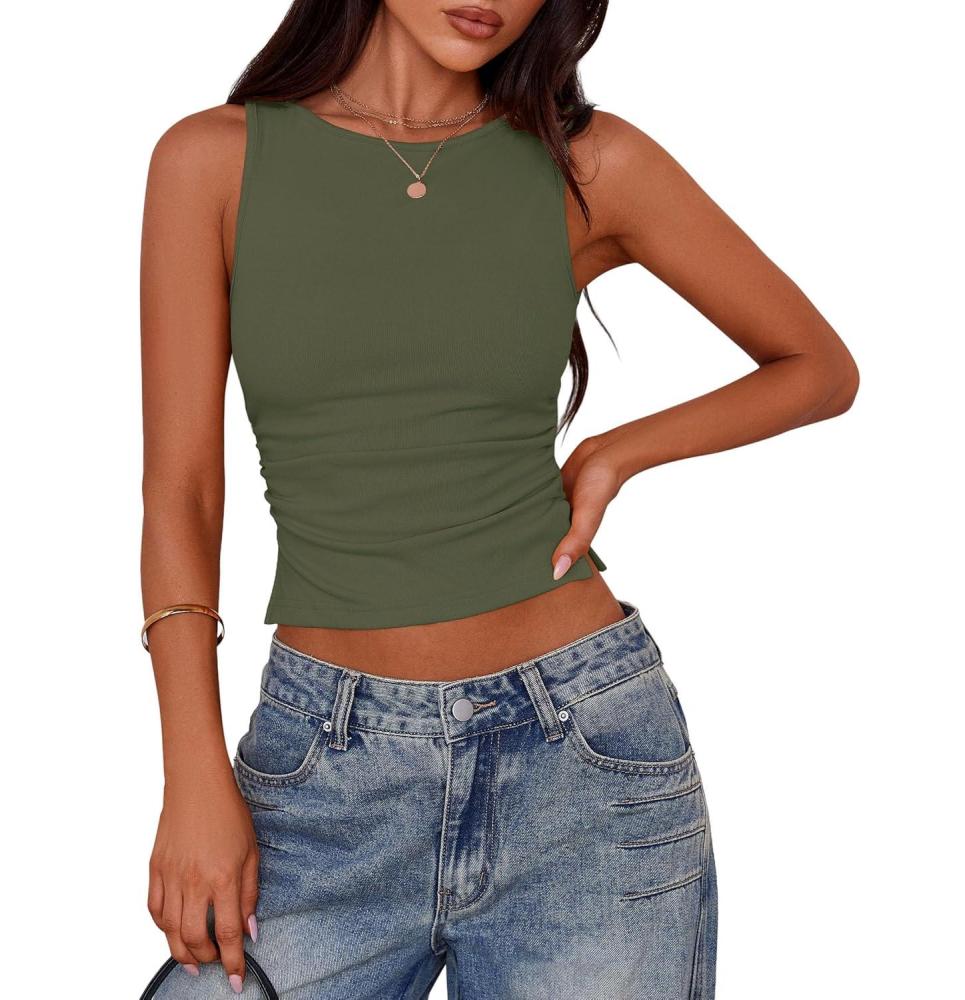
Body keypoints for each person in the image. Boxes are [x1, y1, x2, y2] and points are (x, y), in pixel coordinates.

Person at [139, 2, 859, 996]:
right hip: (322, 770)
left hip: (582, 756)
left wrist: (614, 452)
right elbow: (180, 492)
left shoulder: (588, 162)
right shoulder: (214, 161)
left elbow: (817, 366)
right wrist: (192, 778)